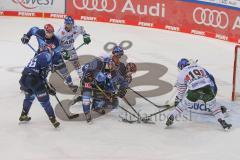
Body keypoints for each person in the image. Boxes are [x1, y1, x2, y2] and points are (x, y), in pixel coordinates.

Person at [166, 58, 232, 130]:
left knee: (182, 106)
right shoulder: (199, 67)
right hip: (207, 90)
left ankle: (171, 118)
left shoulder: (182, 73)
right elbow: (207, 79)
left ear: (181, 67)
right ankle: (223, 123)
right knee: (214, 106)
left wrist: (178, 100)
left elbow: (182, 90)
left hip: (194, 91)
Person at [21, 24, 78, 92]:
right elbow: (33, 29)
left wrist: (52, 65)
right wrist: (27, 36)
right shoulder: (39, 33)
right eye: (48, 32)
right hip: (41, 55)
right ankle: (28, 85)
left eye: (52, 32)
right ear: (45, 31)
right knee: (33, 69)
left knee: (63, 69)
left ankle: (70, 84)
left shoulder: (55, 41)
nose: (51, 34)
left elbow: (57, 53)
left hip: (54, 57)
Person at [19, 50, 60, 128]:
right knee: (45, 102)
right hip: (34, 81)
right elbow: (42, 76)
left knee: (29, 98)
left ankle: (23, 115)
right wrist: (49, 88)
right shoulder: (47, 56)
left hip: (24, 80)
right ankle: (53, 121)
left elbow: (38, 71)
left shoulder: (39, 56)